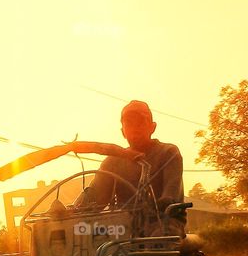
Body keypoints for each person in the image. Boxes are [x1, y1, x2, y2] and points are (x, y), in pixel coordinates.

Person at [74, 100, 185, 236]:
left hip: (163, 221)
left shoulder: (168, 153)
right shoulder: (112, 162)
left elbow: (171, 193)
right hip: (124, 225)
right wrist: (71, 209)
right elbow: (96, 196)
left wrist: (164, 201)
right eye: (129, 123)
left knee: (158, 240)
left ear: (152, 127)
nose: (135, 128)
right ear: (123, 132)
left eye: (140, 122)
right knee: (80, 235)